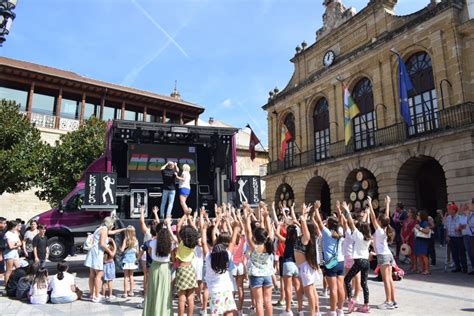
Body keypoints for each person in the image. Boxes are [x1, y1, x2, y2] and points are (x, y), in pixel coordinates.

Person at [201, 217, 238, 316]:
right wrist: (235, 228)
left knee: (217, 313)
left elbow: (204, 243)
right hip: (226, 289)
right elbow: (232, 242)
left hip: (214, 291)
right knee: (229, 313)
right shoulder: (227, 256)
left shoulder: (209, 258)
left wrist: (203, 229)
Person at [314, 201, 345, 316]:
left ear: (328, 224)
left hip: (330, 263)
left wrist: (316, 209)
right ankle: (340, 310)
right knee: (340, 287)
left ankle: (332, 311)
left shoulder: (327, 233)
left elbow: (318, 221)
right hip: (341, 261)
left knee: (333, 289)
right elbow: (341, 222)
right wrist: (338, 209)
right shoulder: (340, 231)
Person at [243, 203, 274, 316]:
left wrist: (247, 217)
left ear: (255, 237)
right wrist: (266, 217)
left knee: (259, 302)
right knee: (268, 301)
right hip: (267, 275)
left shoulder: (254, 247)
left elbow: (248, 232)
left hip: (256, 276)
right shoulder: (269, 245)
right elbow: (269, 231)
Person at [368, 196, 397, 310]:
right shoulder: (386, 228)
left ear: (380, 222)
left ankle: (388, 301)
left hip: (383, 256)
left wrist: (370, 204)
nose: (377, 220)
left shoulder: (380, 230)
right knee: (389, 279)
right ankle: (393, 301)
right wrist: (388, 204)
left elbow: (372, 216)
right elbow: (387, 217)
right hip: (389, 255)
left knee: (386, 280)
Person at [342, 202, 371, 313]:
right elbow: (366, 224)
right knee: (364, 283)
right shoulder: (368, 237)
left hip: (358, 261)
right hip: (366, 262)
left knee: (347, 279)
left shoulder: (358, 235)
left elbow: (350, 222)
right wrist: (368, 213)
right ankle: (366, 305)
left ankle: (351, 300)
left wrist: (346, 210)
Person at [84, 217, 122, 302]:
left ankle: (92, 294)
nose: (113, 226)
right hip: (97, 253)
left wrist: (123, 229)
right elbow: (102, 244)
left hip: (92, 252)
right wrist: (110, 252)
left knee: (92, 274)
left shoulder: (99, 228)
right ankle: (97, 296)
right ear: (110, 224)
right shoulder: (104, 229)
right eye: (113, 224)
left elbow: (113, 232)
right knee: (99, 274)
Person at [142, 218, 174, 316]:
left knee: (153, 291)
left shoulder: (152, 243)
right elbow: (172, 257)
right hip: (165, 268)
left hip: (155, 267)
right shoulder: (171, 244)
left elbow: (150, 253)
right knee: (164, 292)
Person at [175, 216, 200, 316]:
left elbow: (178, 226)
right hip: (190, 269)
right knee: (190, 297)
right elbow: (196, 231)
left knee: (181, 297)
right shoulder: (194, 244)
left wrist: (185, 215)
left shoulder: (181, 242)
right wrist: (190, 218)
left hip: (181, 269)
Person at [138, 205, 159, 295]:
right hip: (151, 253)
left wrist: (142, 211)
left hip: (146, 253)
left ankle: (146, 291)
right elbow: (157, 222)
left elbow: (142, 222)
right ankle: (149, 290)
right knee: (150, 274)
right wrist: (155, 213)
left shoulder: (147, 231)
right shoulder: (157, 233)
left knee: (146, 274)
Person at [445, 202, 468, 273]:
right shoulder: (448, 218)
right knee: (454, 253)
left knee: (461, 253)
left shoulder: (459, 217)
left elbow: (464, 226)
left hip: (459, 237)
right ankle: (458, 267)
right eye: (448, 209)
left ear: (454, 210)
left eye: (449, 209)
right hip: (451, 237)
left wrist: (459, 228)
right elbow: (446, 227)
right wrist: (447, 235)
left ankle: (464, 267)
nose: (448, 210)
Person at [121, 225, 139, 297]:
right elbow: (137, 252)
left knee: (126, 277)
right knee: (131, 276)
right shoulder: (136, 240)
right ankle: (131, 292)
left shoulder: (125, 239)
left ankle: (125, 292)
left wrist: (121, 248)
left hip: (126, 259)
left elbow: (122, 250)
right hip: (133, 260)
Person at [3, 220, 22, 285]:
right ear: (13, 226)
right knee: (9, 270)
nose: (18, 227)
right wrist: (16, 244)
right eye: (16, 226)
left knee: (18, 268)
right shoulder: (7, 234)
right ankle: (6, 285)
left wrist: (15, 244)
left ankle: (16, 283)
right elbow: (10, 246)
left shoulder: (16, 233)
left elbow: (20, 243)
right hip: (9, 254)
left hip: (15, 252)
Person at [413, 210, 431, 275]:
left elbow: (427, 231)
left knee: (424, 255)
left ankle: (426, 269)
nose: (417, 216)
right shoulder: (419, 222)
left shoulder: (425, 222)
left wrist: (419, 228)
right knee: (420, 255)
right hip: (418, 240)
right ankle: (422, 268)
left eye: (418, 215)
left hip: (423, 240)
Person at [459, 202, 474, 274]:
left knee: (472, 252)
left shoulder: (471, 214)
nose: (460, 208)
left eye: (462, 206)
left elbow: (469, 224)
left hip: (471, 236)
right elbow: (461, 226)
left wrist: (465, 225)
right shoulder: (461, 216)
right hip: (465, 236)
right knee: (470, 253)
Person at [101, 237, 117, 301]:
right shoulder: (111, 254)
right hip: (110, 268)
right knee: (110, 282)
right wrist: (113, 241)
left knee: (104, 282)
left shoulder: (102, 255)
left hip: (104, 267)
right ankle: (110, 295)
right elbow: (115, 248)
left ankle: (103, 295)